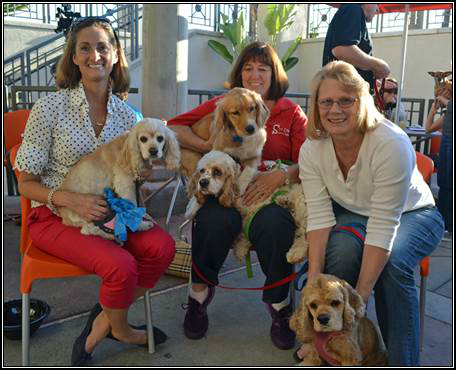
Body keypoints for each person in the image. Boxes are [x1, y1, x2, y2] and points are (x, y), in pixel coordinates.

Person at [14, 17, 175, 366]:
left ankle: (105, 322)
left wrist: (143, 182)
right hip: (56, 213)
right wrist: (72, 199)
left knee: (163, 247)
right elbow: (25, 183)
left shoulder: (129, 118)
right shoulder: (49, 109)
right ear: (73, 57)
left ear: (116, 55)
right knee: (121, 266)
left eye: (103, 47)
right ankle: (123, 329)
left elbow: (132, 180)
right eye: (84, 48)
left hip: (114, 213)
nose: (94, 55)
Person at [297, 61, 444, 365]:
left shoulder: (390, 144)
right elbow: (321, 216)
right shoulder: (311, 149)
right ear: (316, 107)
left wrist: (357, 302)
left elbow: (383, 224)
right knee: (341, 250)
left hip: (415, 214)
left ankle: (401, 359)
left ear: (362, 101)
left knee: (394, 265)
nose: (335, 109)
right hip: (358, 213)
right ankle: (329, 352)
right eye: (326, 101)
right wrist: (313, 283)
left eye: (345, 100)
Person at [167, 41, 308, 350]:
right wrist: (206, 146)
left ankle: (280, 306)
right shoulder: (224, 102)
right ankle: (198, 296)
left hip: (268, 195)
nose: (255, 75)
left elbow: (309, 160)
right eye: (248, 68)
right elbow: (173, 127)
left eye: (263, 68)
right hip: (226, 193)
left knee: (277, 226)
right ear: (240, 74)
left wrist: (281, 175)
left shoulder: (291, 112)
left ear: (274, 74)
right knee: (212, 221)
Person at [322, 4, 390, 91]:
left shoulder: (352, 11)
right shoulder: (353, 9)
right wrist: (378, 65)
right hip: (344, 96)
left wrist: (371, 79)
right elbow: (342, 50)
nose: (377, 9)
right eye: (376, 3)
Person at [425, 89, 453, 234]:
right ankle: (443, 223)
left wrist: (444, 100)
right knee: (444, 182)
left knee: (450, 182)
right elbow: (428, 128)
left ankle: (449, 223)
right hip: (446, 141)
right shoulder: (449, 111)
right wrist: (433, 108)